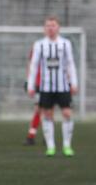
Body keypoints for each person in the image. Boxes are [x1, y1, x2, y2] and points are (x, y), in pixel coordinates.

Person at [27, 16, 78, 157]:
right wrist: (31, 85)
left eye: (53, 25)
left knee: (67, 114)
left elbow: (71, 64)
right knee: (47, 115)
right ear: (44, 29)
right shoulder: (39, 45)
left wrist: (74, 83)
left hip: (63, 86)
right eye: (48, 26)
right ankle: (51, 147)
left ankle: (67, 146)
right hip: (46, 87)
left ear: (58, 27)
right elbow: (34, 66)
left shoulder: (66, 44)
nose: (50, 28)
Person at [24, 46, 42, 146]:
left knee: (48, 111)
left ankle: (46, 136)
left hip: (51, 84)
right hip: (39, 84)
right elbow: (30, 64)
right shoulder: (37, 46)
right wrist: (28, 81)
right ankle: (31, 136)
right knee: (39, 109)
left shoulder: (60, 45)